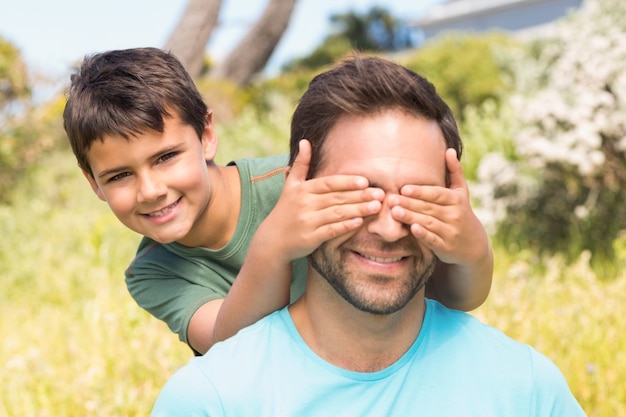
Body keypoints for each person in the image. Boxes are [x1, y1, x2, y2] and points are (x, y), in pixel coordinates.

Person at [150, 56, 586, 417]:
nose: (388, 227)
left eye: (417, 197)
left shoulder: (526, 389)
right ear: (293, 193)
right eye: (360, 193)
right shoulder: (208, 401)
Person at [63, 47, 493, 356]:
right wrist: (275, 245)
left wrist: (471, 246)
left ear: (207, 135)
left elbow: (452, 294)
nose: (151, 189)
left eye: (166, 157)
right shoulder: (153, 272)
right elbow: (227, 346)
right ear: (93, 183)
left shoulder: (294, 185)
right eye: (119, 175)